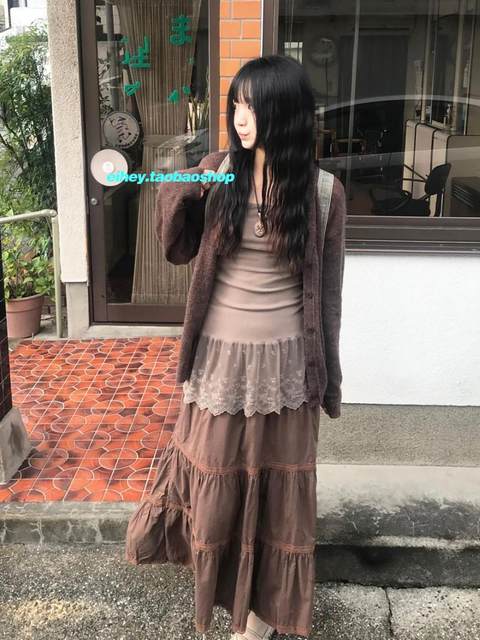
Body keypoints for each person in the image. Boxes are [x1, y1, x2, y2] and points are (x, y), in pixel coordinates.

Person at [125, 54, 347, 639]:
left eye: (253, 106)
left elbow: (329, 296)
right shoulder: (220, 171)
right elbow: (174, 243)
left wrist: (330, 378)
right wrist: (188, 186)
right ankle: (228, 599)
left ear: (286, 113)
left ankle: (258, 619)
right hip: (220, 359)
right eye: (236, 105)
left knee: (276, 496)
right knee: (217, 479)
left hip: (287, 367)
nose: (240, 118)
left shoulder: (324, 192)